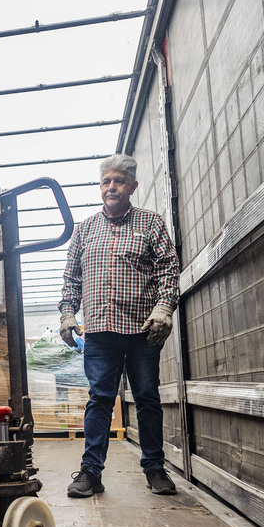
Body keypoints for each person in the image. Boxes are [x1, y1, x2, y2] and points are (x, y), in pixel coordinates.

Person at [58, 154, 180, 498]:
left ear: (133, 186)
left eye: (119, 181)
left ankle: (155, 468)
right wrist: (68, 312)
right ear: (100, 188)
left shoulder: (150, 223)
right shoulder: (84, 230)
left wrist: (164, 308)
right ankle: (90, 472)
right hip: (99, 330)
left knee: (147, 397)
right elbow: (71, 277)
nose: (112, 187)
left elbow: (168, 269)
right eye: (106, 182)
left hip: (143, 330)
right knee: (100, 398)